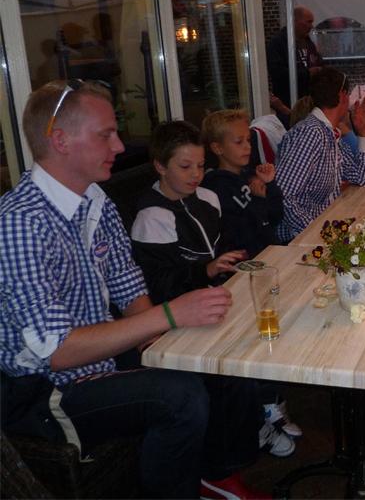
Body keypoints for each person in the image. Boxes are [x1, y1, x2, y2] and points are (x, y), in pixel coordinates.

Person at [0, 80, 266, 499]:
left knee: (218, 357)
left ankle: (214, 473)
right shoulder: (20, 221)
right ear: (60, 140)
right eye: (105, 135)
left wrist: (167, 340)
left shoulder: (95, 199)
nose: (120, 146)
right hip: (46, 390)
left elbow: (127, 287)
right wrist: (170, 315)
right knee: (179, 397)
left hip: (97, 358)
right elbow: (56, 350)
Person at [131, 120, 300, 456]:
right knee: (246, 343)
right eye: (185, 167)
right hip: (179, 314)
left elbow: (222, 245)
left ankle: (264, 403)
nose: (196, 174)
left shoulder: (207, 197)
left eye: (200, 165)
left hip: (217, 294)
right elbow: (159, 285)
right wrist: (206, 270)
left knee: (277, 313)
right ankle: (246, 433)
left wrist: (230, 262)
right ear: (160, 166)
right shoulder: (152, 217)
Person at [274, 67, 365, 243]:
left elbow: (363, 178)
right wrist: (318, 233)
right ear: (343, 96)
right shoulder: (311, 133)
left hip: (321, 230)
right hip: (295, 241)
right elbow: (283, 195)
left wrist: (364, 133)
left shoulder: (329, 133)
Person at [201, 110, 284, 259]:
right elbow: (243, 234)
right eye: (239, 142)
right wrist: (259, 200)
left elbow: (275, 216)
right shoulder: (218, 188)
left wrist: (270, 184)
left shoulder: (250, 175)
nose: (248, 147)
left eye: (248, 140)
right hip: (249, 263)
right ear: (218, 148)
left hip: (271, 253)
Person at [267, 6, 323, 108]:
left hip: (309, 102)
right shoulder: (278, 42)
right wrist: (307, 73)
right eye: (308, 22)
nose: (311, 26)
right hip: (289, 103)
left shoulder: (308, 42)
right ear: (295, 21)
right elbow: (277, 72)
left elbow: (317, 61)